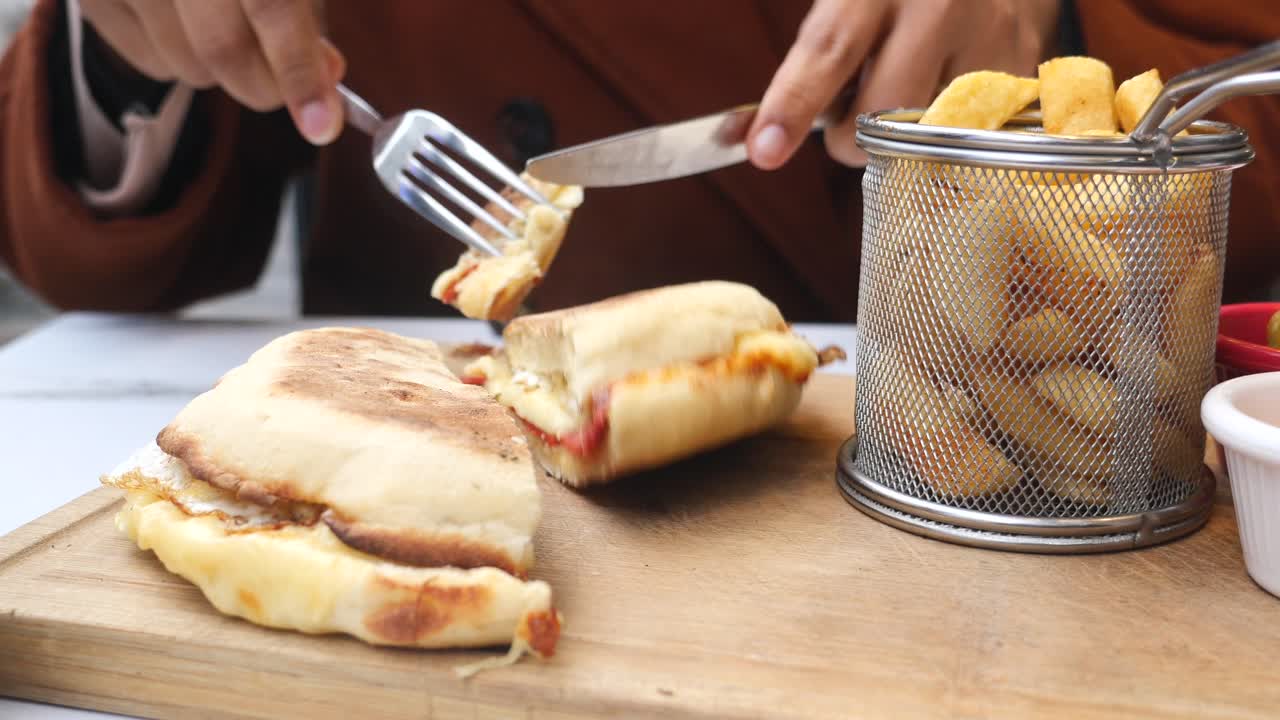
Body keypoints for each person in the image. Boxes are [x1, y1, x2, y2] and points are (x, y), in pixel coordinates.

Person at [0, 0, 1275, 322]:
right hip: (450, 464)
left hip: (1019, 434)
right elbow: (92, 270)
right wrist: (132, 55)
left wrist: (1053, 37)